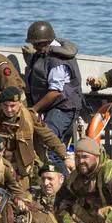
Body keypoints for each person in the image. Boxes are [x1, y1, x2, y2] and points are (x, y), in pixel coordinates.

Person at [0, 86, 70, 186]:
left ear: (20, 103)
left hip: (20, 171)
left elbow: (48, 136)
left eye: (12, 106)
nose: (8, 109)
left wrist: (65, 157)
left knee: (22, 198)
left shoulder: (29, 117)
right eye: (5, 105)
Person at [24, 21, 83, 151]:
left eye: (35, 44)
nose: (33, 47)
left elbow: (55, 92)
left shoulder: (58, 60)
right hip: (50, 107)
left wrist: (34, 109)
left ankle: (61, 170)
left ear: (44, 42)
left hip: (64, 107)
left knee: (49, 146)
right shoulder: (42, 54)